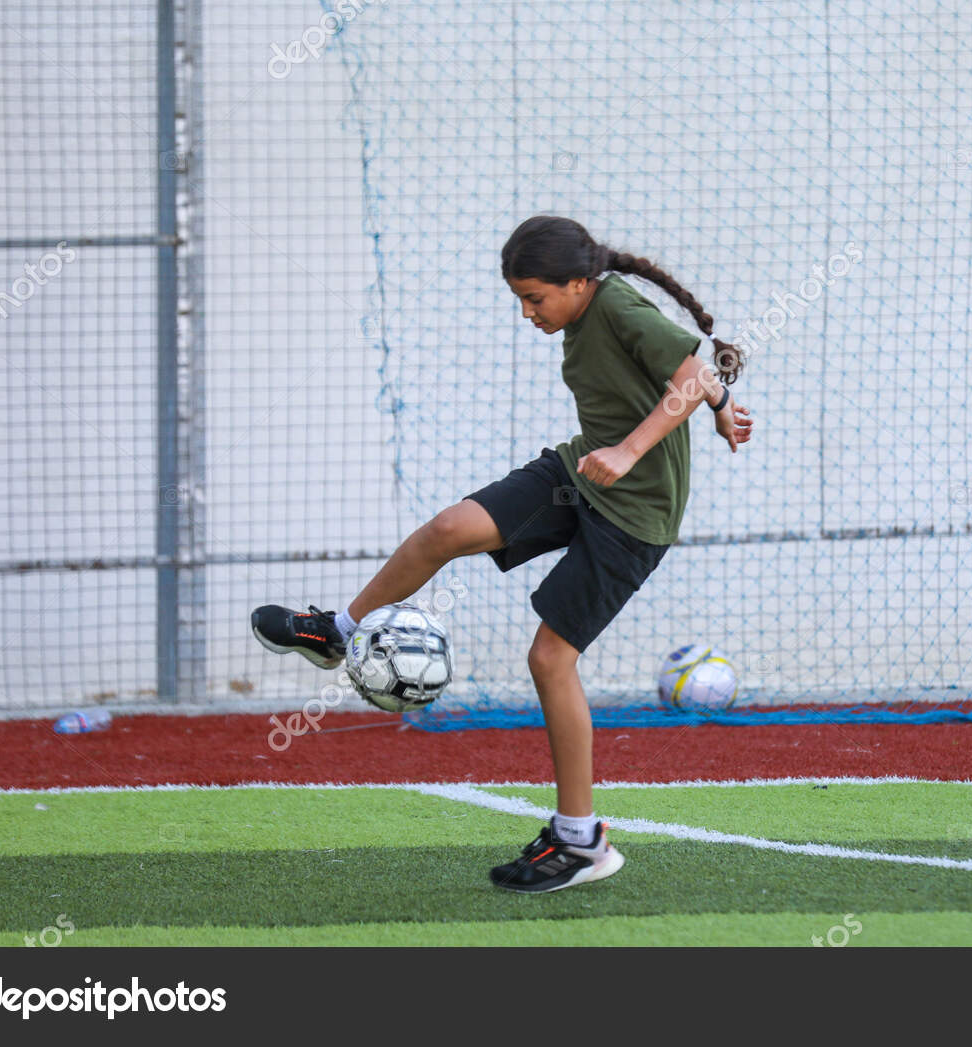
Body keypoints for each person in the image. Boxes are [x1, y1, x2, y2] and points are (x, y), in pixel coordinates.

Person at [252, 215, 753, 892]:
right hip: (580, 477)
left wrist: (637, 445)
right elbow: (701, 380)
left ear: (578, 283)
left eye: (536, 298)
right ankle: (338, 634)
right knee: (448, 529)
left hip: (634, 515)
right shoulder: (584, 314)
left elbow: (688, 374)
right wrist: (721, 401)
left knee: (550, 658)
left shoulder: (617, 305)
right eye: (519, 299)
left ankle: (582, 842)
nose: (527, 312)